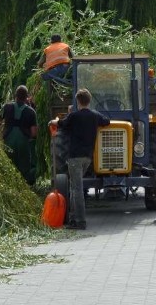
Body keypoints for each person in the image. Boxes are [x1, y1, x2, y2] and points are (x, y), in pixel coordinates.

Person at [49, 88, 110, 230]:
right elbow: (106, 121)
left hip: (75, 157)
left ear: (78, 101)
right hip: (87, 158)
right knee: (74, 186)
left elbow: (61, 124)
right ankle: (73, 218)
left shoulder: (74, 116)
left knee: (76, 189)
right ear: (89, 101)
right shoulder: (95, 116)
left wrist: (53, 120)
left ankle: (80, 221)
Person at [0, 85, 38, 185]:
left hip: (8, 141)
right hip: (23, 143)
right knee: (24, 168)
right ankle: (23, 188)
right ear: (27, 97)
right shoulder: (31, 112)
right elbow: (34, 132)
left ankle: (9, 186)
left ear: (15, 95)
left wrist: (1, 133)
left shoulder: (7, 107)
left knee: (9, 166)